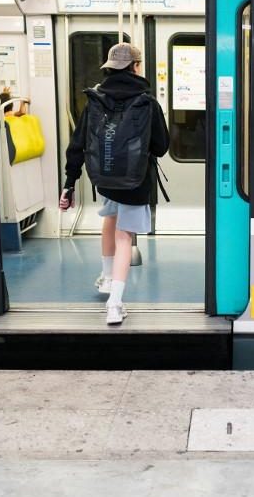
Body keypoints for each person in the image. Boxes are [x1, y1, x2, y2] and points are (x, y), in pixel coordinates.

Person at [59, 43, 169, 325]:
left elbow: (78, 144)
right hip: (135, 181)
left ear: (108, 67)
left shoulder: (95, 99)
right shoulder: (147, 102)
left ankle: (107, 278)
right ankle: (115, 303)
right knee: (125, 238)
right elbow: (161, 146)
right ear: (135, 67)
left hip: (105, 177)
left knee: (109, 219)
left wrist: (69, 183)